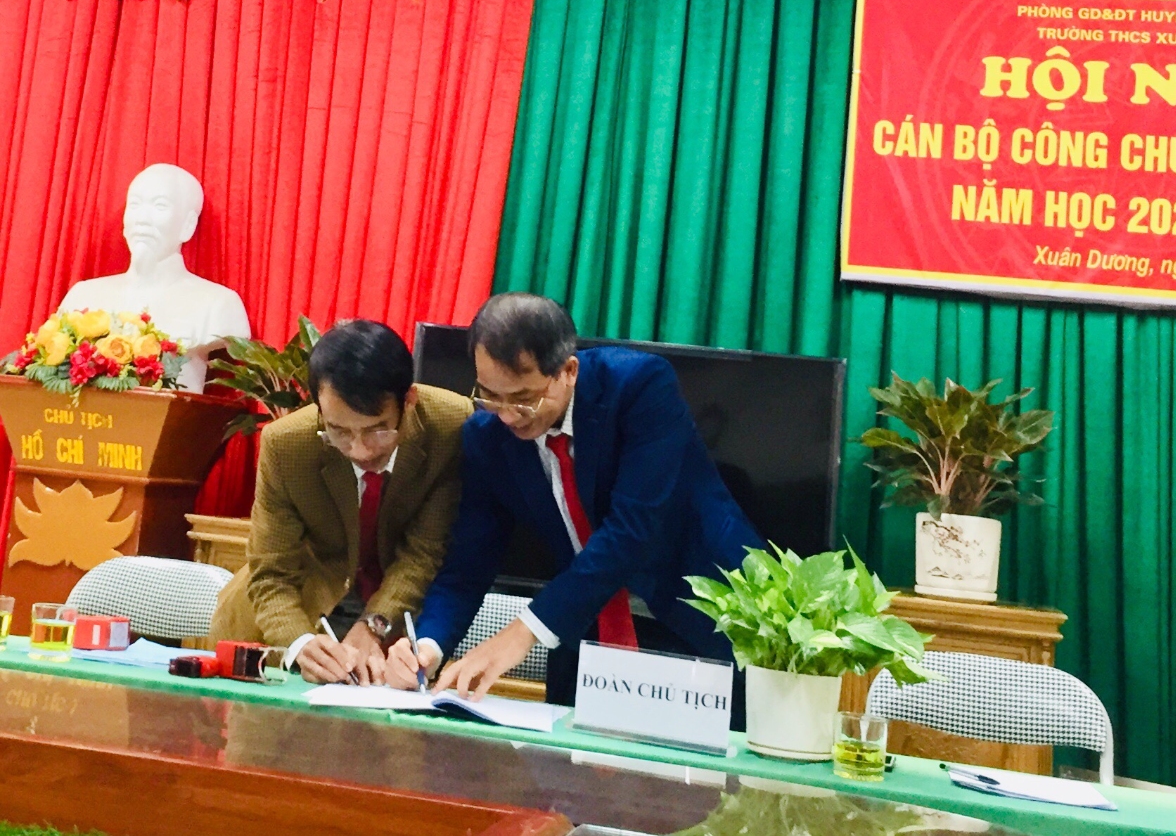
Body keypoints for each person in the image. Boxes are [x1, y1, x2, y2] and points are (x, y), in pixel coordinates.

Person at [387, 293, 763, 719]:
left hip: (700, 611)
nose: (507, 415)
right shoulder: (486, 436)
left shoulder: (639, 386)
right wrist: (429, 646)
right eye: (490, 394)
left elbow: (633, 531)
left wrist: (522, 632)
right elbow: (468, 563)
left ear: (568, 371)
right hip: (582, 622)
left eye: (524, 398)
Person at [209, 319, 470, 684]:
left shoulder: (450, 426)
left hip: (399, 612)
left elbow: (424, 553)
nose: (360, 450)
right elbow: (271, 572)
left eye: (378, 430)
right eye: (339, 431)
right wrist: (299, 644)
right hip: (297, 608)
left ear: (409, 400)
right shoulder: (287, 445)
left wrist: (375, 625)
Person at [60, 163, 251, 392]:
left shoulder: (218, 304)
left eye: (160, 206)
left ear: (188, 225)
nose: (142, 219)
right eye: (135, 205)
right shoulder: (82, 296)